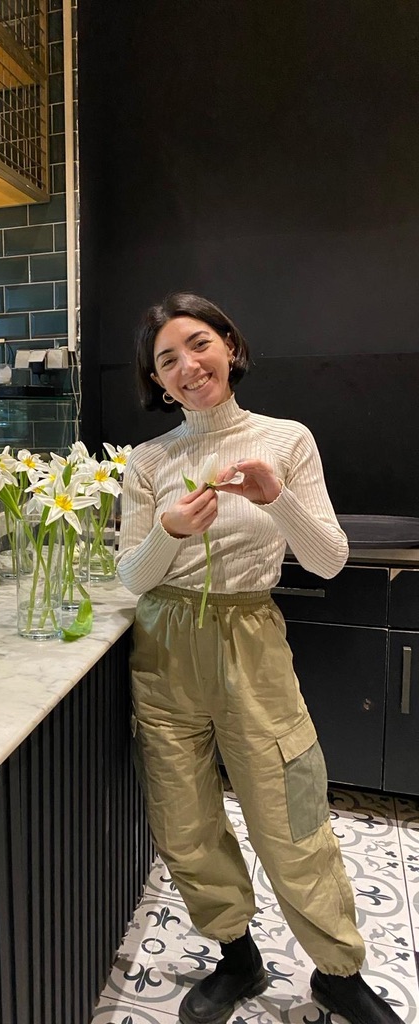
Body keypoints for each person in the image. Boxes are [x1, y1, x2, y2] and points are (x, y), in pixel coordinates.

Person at [117, 292, 402, 1024]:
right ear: (157, 382)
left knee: (293, 814)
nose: (188, 366)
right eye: (167, 360)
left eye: (199, 344)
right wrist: (169, 532)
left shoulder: (285, 441)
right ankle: (237, 957)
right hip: (164, 649)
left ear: (231, 347)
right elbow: (133, 577)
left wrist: (277, 499)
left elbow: (329, 559)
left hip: (251, 642)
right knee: (185, 822)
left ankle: (338, 972)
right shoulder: (148, 461)